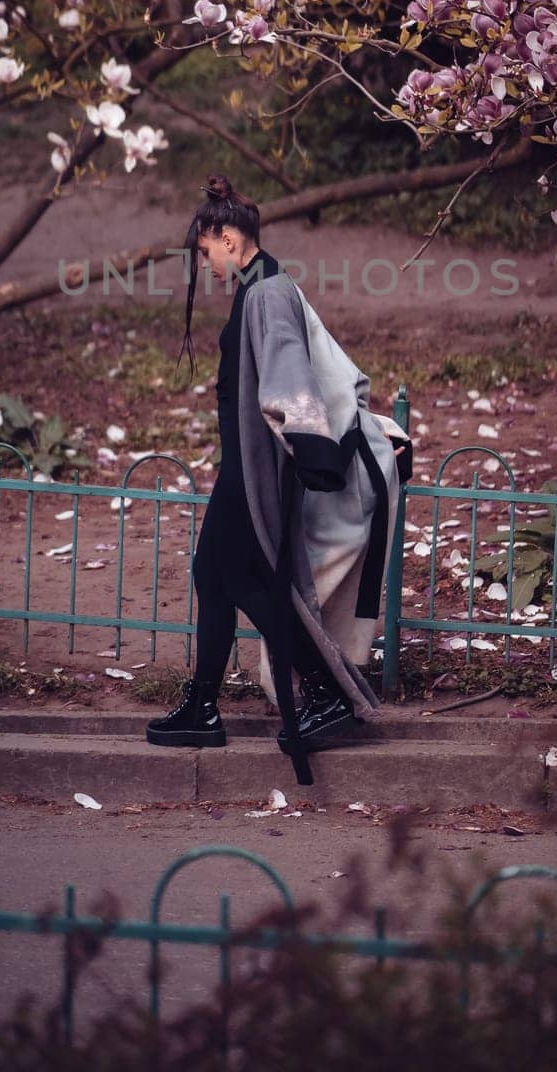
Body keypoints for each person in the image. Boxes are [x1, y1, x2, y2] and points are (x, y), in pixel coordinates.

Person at [145, 174, 412, 784]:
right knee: (216, 576)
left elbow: (290, 370)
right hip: (244, 465)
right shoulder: (258, 286)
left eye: (207, 250)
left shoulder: (267, 291)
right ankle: (205, 707)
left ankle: (320, 691)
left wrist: (308, 441)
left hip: (254, 472)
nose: (206, 264)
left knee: (247, 584)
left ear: (230, 237)